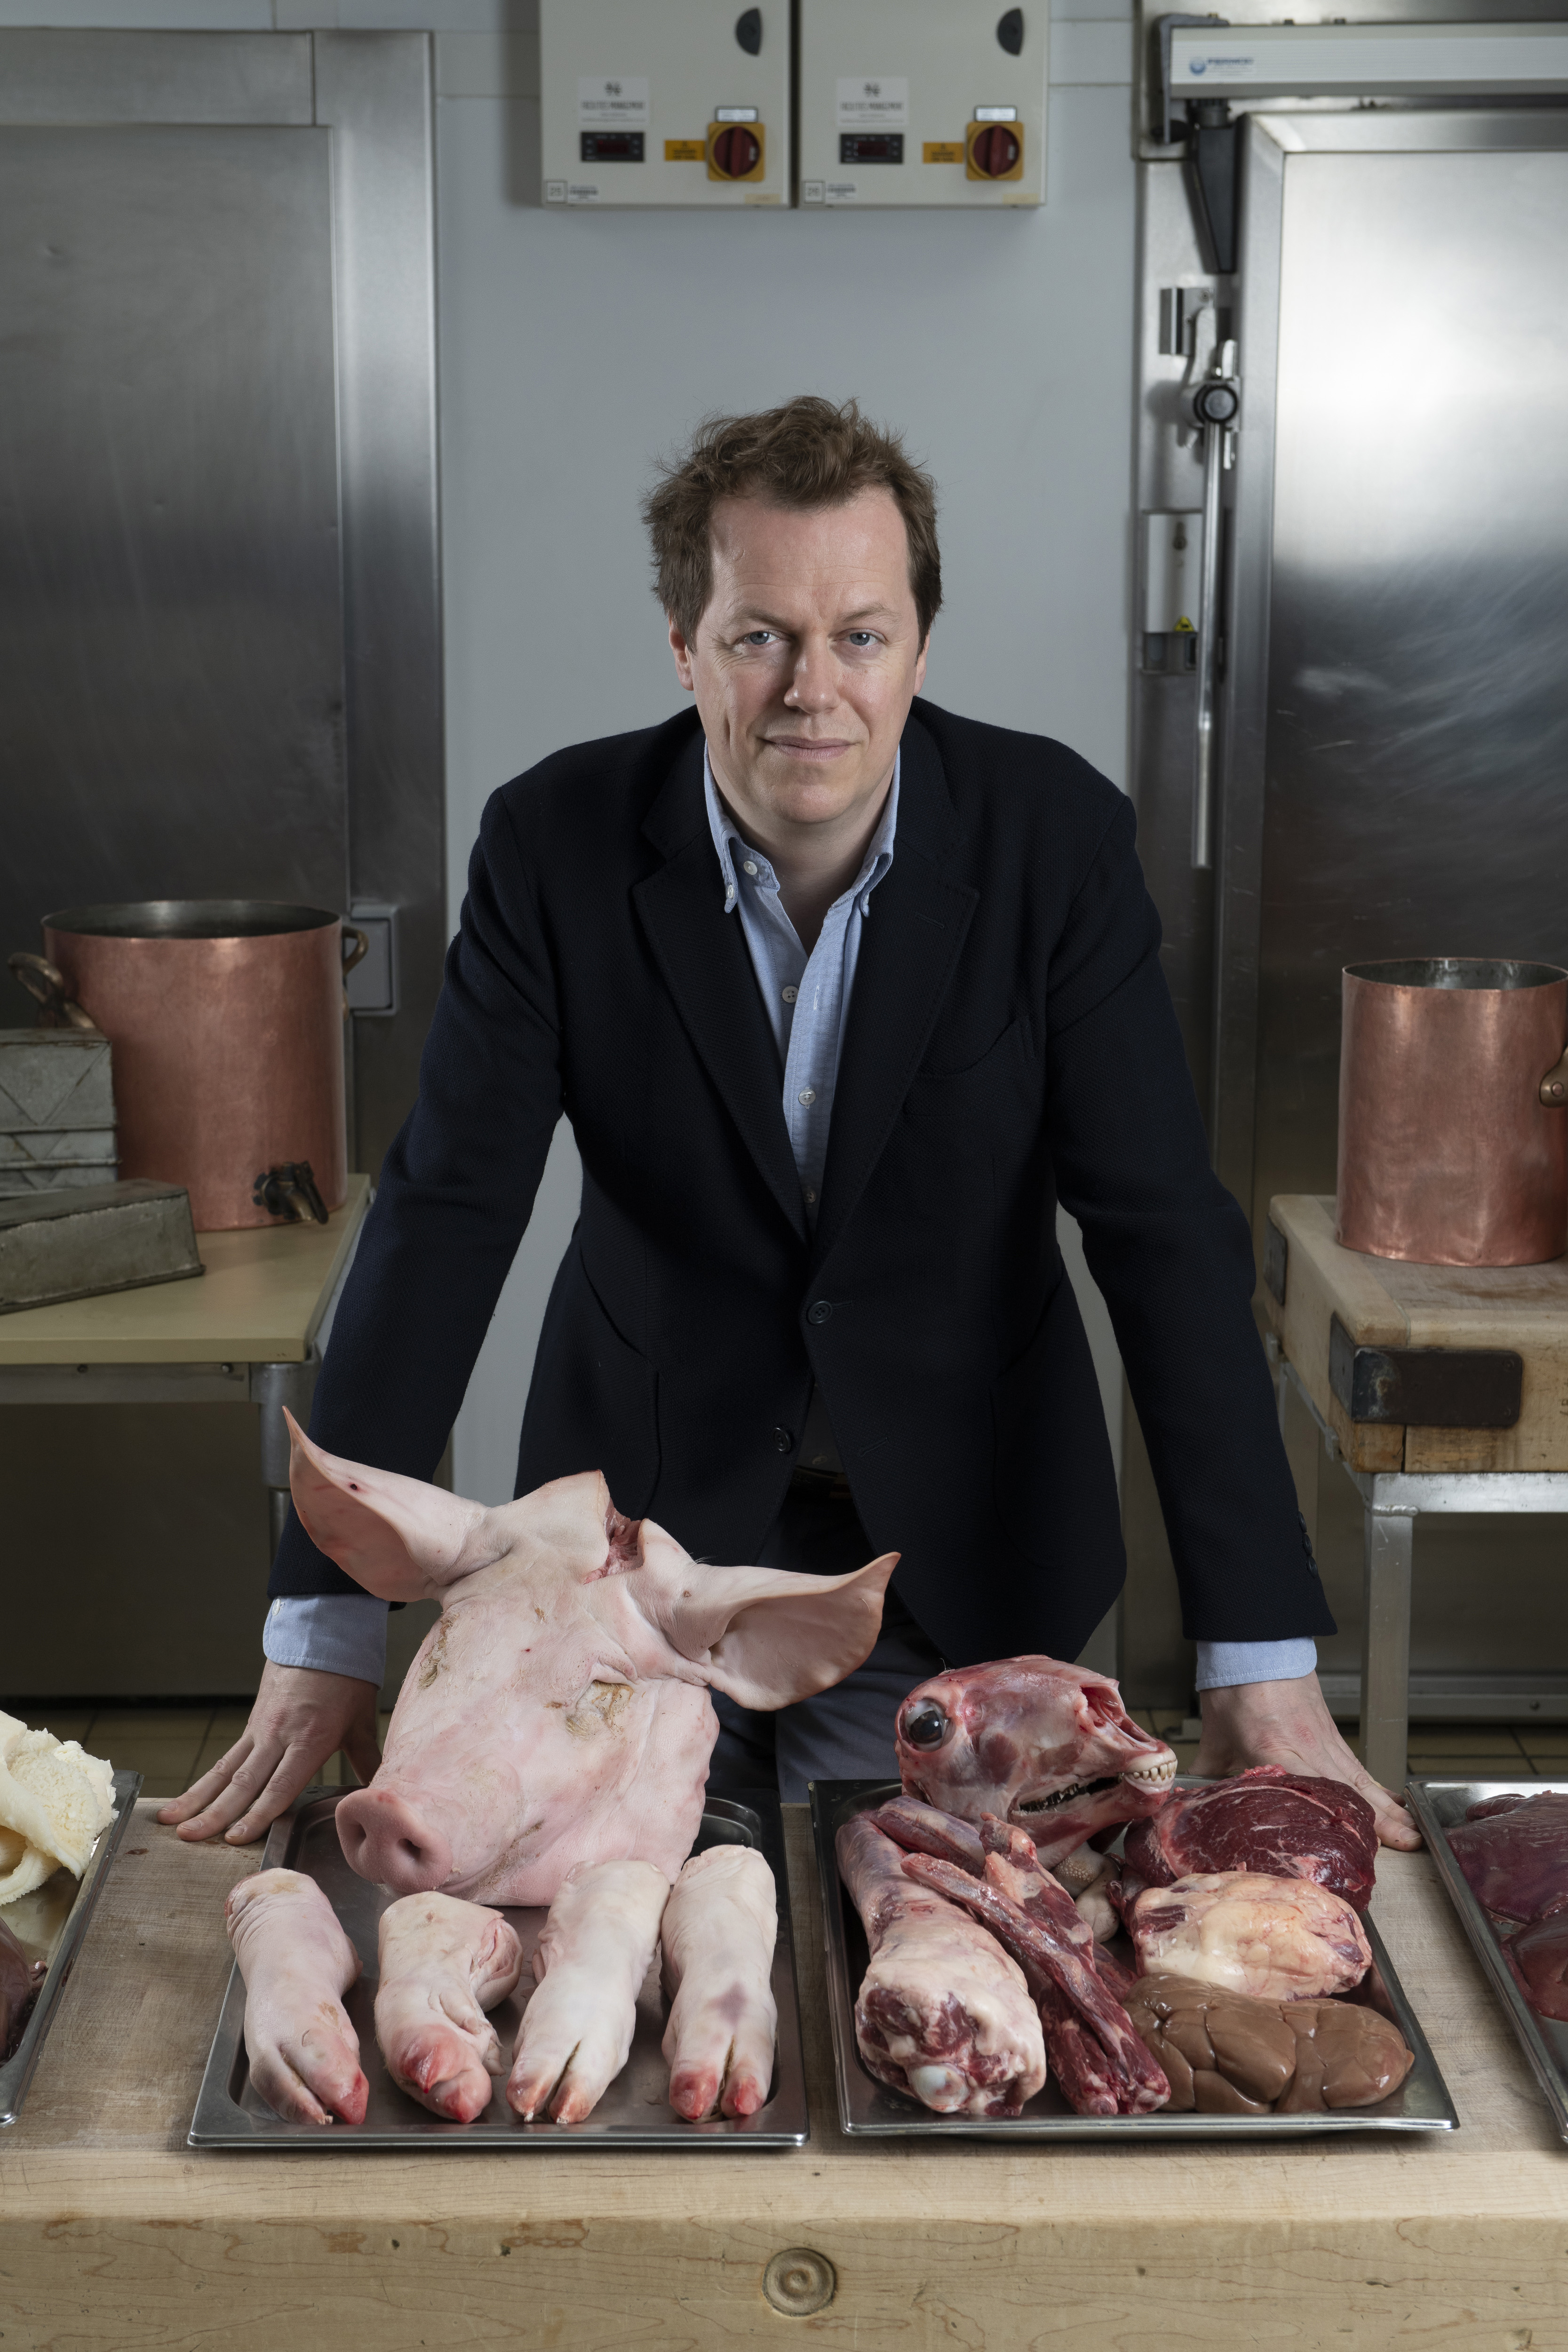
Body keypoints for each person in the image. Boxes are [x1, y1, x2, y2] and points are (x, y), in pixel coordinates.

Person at [159, 396, 1418, 1851]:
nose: (814, 690)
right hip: (642, 1550)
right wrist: (327, 1621)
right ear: (686, 647)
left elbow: (1163, 1236)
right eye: (761, 636)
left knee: (927, 1964)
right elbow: (447, 1213)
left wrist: (1255, 1654)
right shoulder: (552, 846)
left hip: (960, 1540)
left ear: (921, 647)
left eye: (861, 636)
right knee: (622, 1957)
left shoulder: (1052, 841)